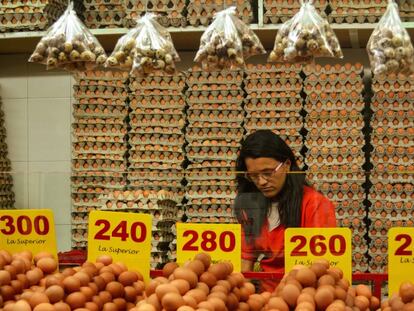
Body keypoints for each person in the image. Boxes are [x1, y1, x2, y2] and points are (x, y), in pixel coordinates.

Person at [234, 130, 336, 291]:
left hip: (304, 294)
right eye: (253, 176)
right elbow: (245, 258)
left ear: (287, 165)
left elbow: (321, 265)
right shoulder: (251, 205)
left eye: (268, 173)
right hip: (264, 296)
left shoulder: (315, 204)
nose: (261, 182)